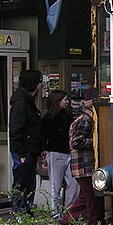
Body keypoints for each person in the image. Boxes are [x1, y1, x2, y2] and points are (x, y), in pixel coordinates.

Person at [66, 87, 104, 225]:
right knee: (92, 198)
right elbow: (76, 142)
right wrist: (95, 142)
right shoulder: (86, 120)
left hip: (82, 167)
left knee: (84, 198)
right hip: (84, 166)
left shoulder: (85, 118)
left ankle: (67, 219)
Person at [8, 69, 44, 214]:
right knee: (22, 182)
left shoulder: (25, 101)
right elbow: (16, 130)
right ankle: (19, 210)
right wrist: (22, 152)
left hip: (30, 149)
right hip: (25, 151)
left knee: (27, 182)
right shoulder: (22, 103)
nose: (42, 85)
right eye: (40, 82)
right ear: (34, 84)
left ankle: (24, 210)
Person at [42, 89, 79, 218]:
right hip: (56, 153)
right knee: (55, 185)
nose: (67, 102)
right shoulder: (48, 119)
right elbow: (44, 136)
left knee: (73, 183)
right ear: (57, 101)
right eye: (64, 99)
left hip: (68, 152)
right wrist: (45, 151)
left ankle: (69, 212)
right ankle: (56, 213)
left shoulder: (66, 115)